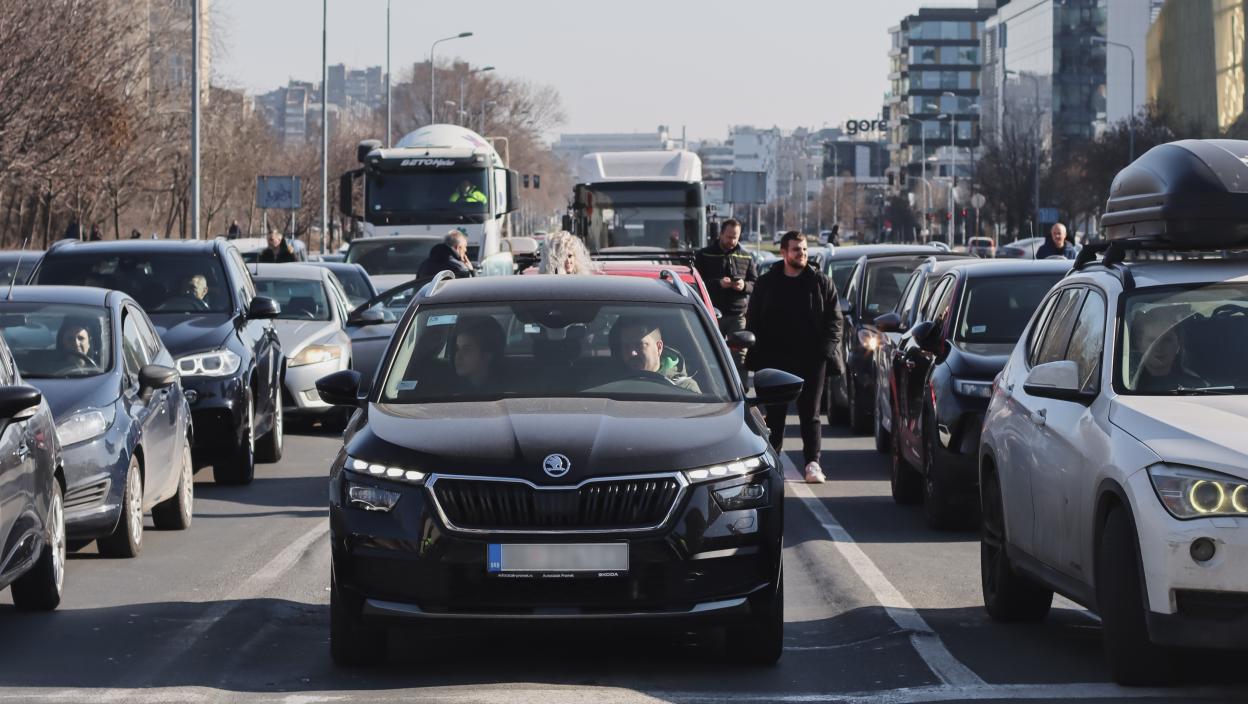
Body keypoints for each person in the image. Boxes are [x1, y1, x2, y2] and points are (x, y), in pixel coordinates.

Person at [746, 231, 844, 483]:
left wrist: (825, 352)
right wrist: (757, 354)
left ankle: (812, 463)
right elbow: (753, 320)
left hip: (811, 359)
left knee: (810, 414)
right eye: (796, 250)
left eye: (804, 249)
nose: (801, 254)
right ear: (784, 252)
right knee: (775, 415)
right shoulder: (767, 283)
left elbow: (835, 321)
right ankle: (773, 464)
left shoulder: (820, 282)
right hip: (775, 359)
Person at [695, 218, 758, 338]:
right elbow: (696, 283)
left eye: (736, 237)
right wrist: (718, 283)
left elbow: (756, 284)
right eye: (729, 237)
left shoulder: (746, 257)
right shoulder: (704, 255)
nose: (732, 241)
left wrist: (743, 286)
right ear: (721, 234)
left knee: (739, 353)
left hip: (737, 314)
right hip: (711, 312)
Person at [611, 317, 700, 393]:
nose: (632, 353)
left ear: (659, 348)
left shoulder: (685, 389)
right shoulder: (609, 385)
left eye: (639, 345)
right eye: (626, 346)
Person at [1131, 307, 1205, 393]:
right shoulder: (1128, 383)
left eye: (1167, 340)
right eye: (1152, 341)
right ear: (1139, 344)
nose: (1159, 347)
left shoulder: (1195, 386)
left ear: (1178, 344)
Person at [452, 316, 506, 390]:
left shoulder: (507, 390)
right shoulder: (448, 390)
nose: (458, 356)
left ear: (487, 355)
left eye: (466, 350)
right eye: (457, 348)